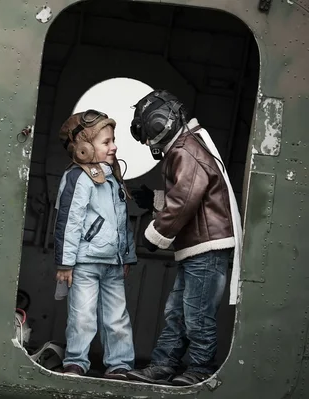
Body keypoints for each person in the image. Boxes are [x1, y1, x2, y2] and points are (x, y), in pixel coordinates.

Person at [126, 90, 242, 386]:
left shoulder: (184, 149)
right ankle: (164, 364)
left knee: (197, 314)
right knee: (177, 311)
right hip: (197, 247)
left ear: (157, 124)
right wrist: (154, 199)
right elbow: (191, 191)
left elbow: (186, 197)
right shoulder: (189, 144)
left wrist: (156, 234)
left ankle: (201, 368)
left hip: (206, 247)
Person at [53, 109, 137, 380]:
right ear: (83, 148)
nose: (114, 146)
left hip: (113, 263)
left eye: (113, 140)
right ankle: (76, 361)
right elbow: (69, 221)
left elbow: (124, 221)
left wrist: (126, 256)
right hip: (85, 262)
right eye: (106, 142)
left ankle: (120, 364)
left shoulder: (113, 178)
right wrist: (65, 262)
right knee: (83, 317)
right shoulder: (78, 178)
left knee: (118, 318)